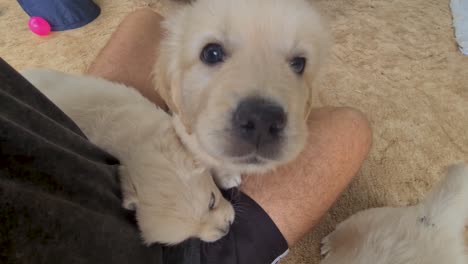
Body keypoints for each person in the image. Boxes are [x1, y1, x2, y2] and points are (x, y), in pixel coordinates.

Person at [0, 8, 371, 264]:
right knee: (352, 128)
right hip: (164, 247)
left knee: (144, 22)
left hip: (63, 129)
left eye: (296, 63)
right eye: (214, 53)